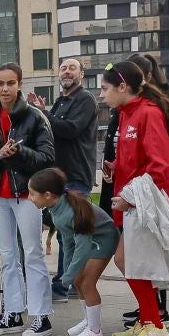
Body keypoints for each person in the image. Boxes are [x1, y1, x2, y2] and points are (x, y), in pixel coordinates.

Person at [0, 62, 57, 336]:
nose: (4, 89)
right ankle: (13, 312)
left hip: (27, 194)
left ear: (19, 85)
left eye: (9, 83)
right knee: (7, 256)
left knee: (32, 253)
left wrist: (18, 153)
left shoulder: (35, 117)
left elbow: (47, 157)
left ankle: (41, 315)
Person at [101, 60, 169, 336]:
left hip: (144, 203)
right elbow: (136, 158)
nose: (102, 95)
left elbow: (160, 166)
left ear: (123, 87)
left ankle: (154, 324)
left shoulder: (148, 114)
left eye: (105, 88)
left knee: (134, 262)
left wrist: (131, 197)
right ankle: (149, 320)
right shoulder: (127, 114)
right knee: (128, 261)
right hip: (132, 201)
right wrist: (115, 167)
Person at [26, 167, 119, 336]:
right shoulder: (56, 208)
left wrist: (68, 275)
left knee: (86, 283)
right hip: (90, 240)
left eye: (32, 194)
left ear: (47, 195)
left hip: (103, 239)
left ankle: (95, 333)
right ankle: (88, 321)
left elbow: (82, 249)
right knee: (78, 280)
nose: (29, 198)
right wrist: (68, 272)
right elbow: (67, 242)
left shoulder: (70, 212)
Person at [48, 57, 99, 300]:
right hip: (59, 177)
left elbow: (70, 129)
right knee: (64, 232)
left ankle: (66, 285)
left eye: (72, 68)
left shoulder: (85, 99)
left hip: (77, 176)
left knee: (76, 233)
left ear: (81, 74)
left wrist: (43, 114)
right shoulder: (60, 101)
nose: (67, 72)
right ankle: (70, 283)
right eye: (63, 68)